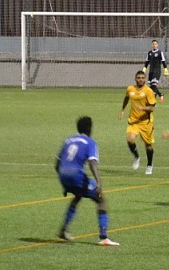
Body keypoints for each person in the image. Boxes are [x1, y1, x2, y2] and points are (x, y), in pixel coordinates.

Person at [55, 116, 120, 246]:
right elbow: (92, 162)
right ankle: (103, 237)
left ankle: (63, 230)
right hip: (76, 175)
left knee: (78, 196)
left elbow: (57, 163)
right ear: (90, 128)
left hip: (63, 174)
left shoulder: (68, 140)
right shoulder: (90, 142)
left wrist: (65, 182)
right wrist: (99, 182)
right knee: (101, 200)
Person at [120, 70, 158, 175]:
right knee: (130, 139)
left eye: (142, 78)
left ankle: (149, 165)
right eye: (139, 77)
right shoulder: (130, 89)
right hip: (133, 121)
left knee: (148, 146)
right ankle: (137, 157)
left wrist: (142, 108)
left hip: (146, 122)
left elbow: (152, 108)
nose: (140, 79)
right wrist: (122, 110)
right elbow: (126, 98)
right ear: (135, 79)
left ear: (145, 79)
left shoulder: (148, 91)